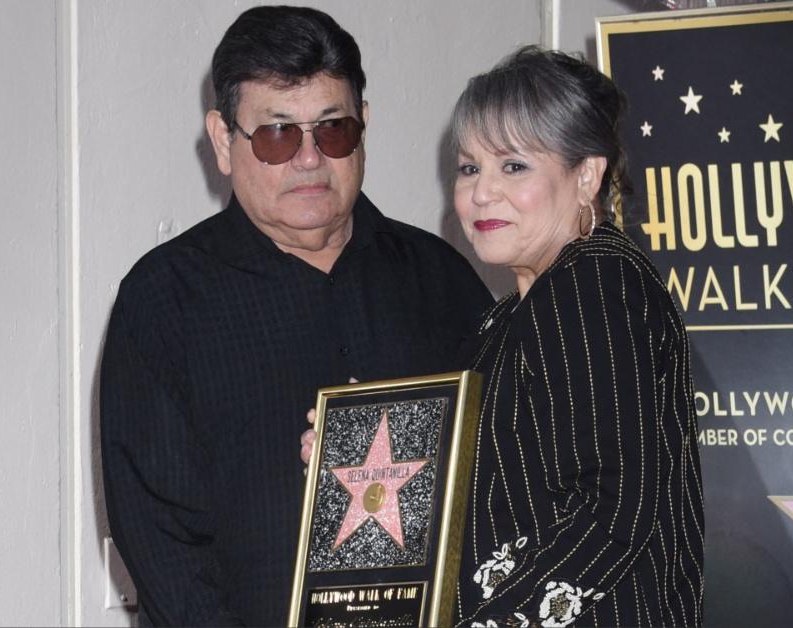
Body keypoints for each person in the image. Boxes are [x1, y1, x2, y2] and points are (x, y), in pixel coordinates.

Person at [100, 6, 493, 626]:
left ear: (365, 126)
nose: (309, 159)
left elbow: (504, 486)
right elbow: (162, 539)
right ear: (224, 141)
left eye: (332, 130)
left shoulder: (443, 281)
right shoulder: (164, 300)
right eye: (278, 133)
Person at [300, 46, 705, 627]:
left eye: (513, 166)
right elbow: (494, 505)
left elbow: (616, 507)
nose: (481, 193)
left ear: (587, 174)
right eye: (470, 168)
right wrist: (363, 459)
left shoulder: (591, 283)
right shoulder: (507, 318)